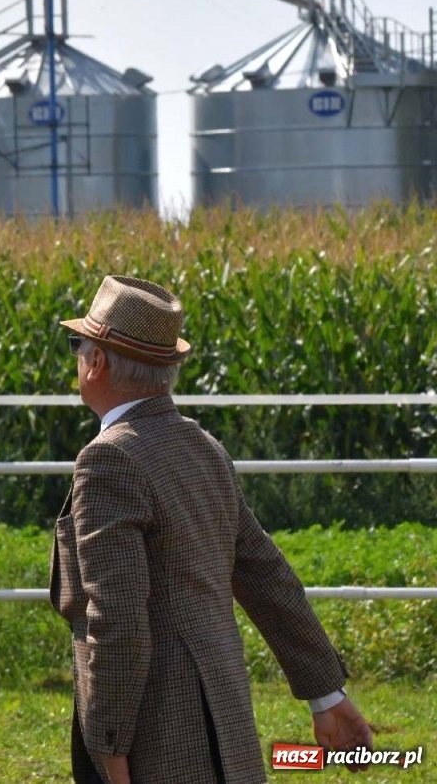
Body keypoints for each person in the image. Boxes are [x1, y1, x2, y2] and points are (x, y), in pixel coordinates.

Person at [51, 276, 374, 784]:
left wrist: (111, 750)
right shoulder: (203, 448)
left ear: (98, 362)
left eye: (79, 346)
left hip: (153, 738)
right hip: (223, 724)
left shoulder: (108, 459)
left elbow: (117, 619)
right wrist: (325, 695)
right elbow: (267, 576)